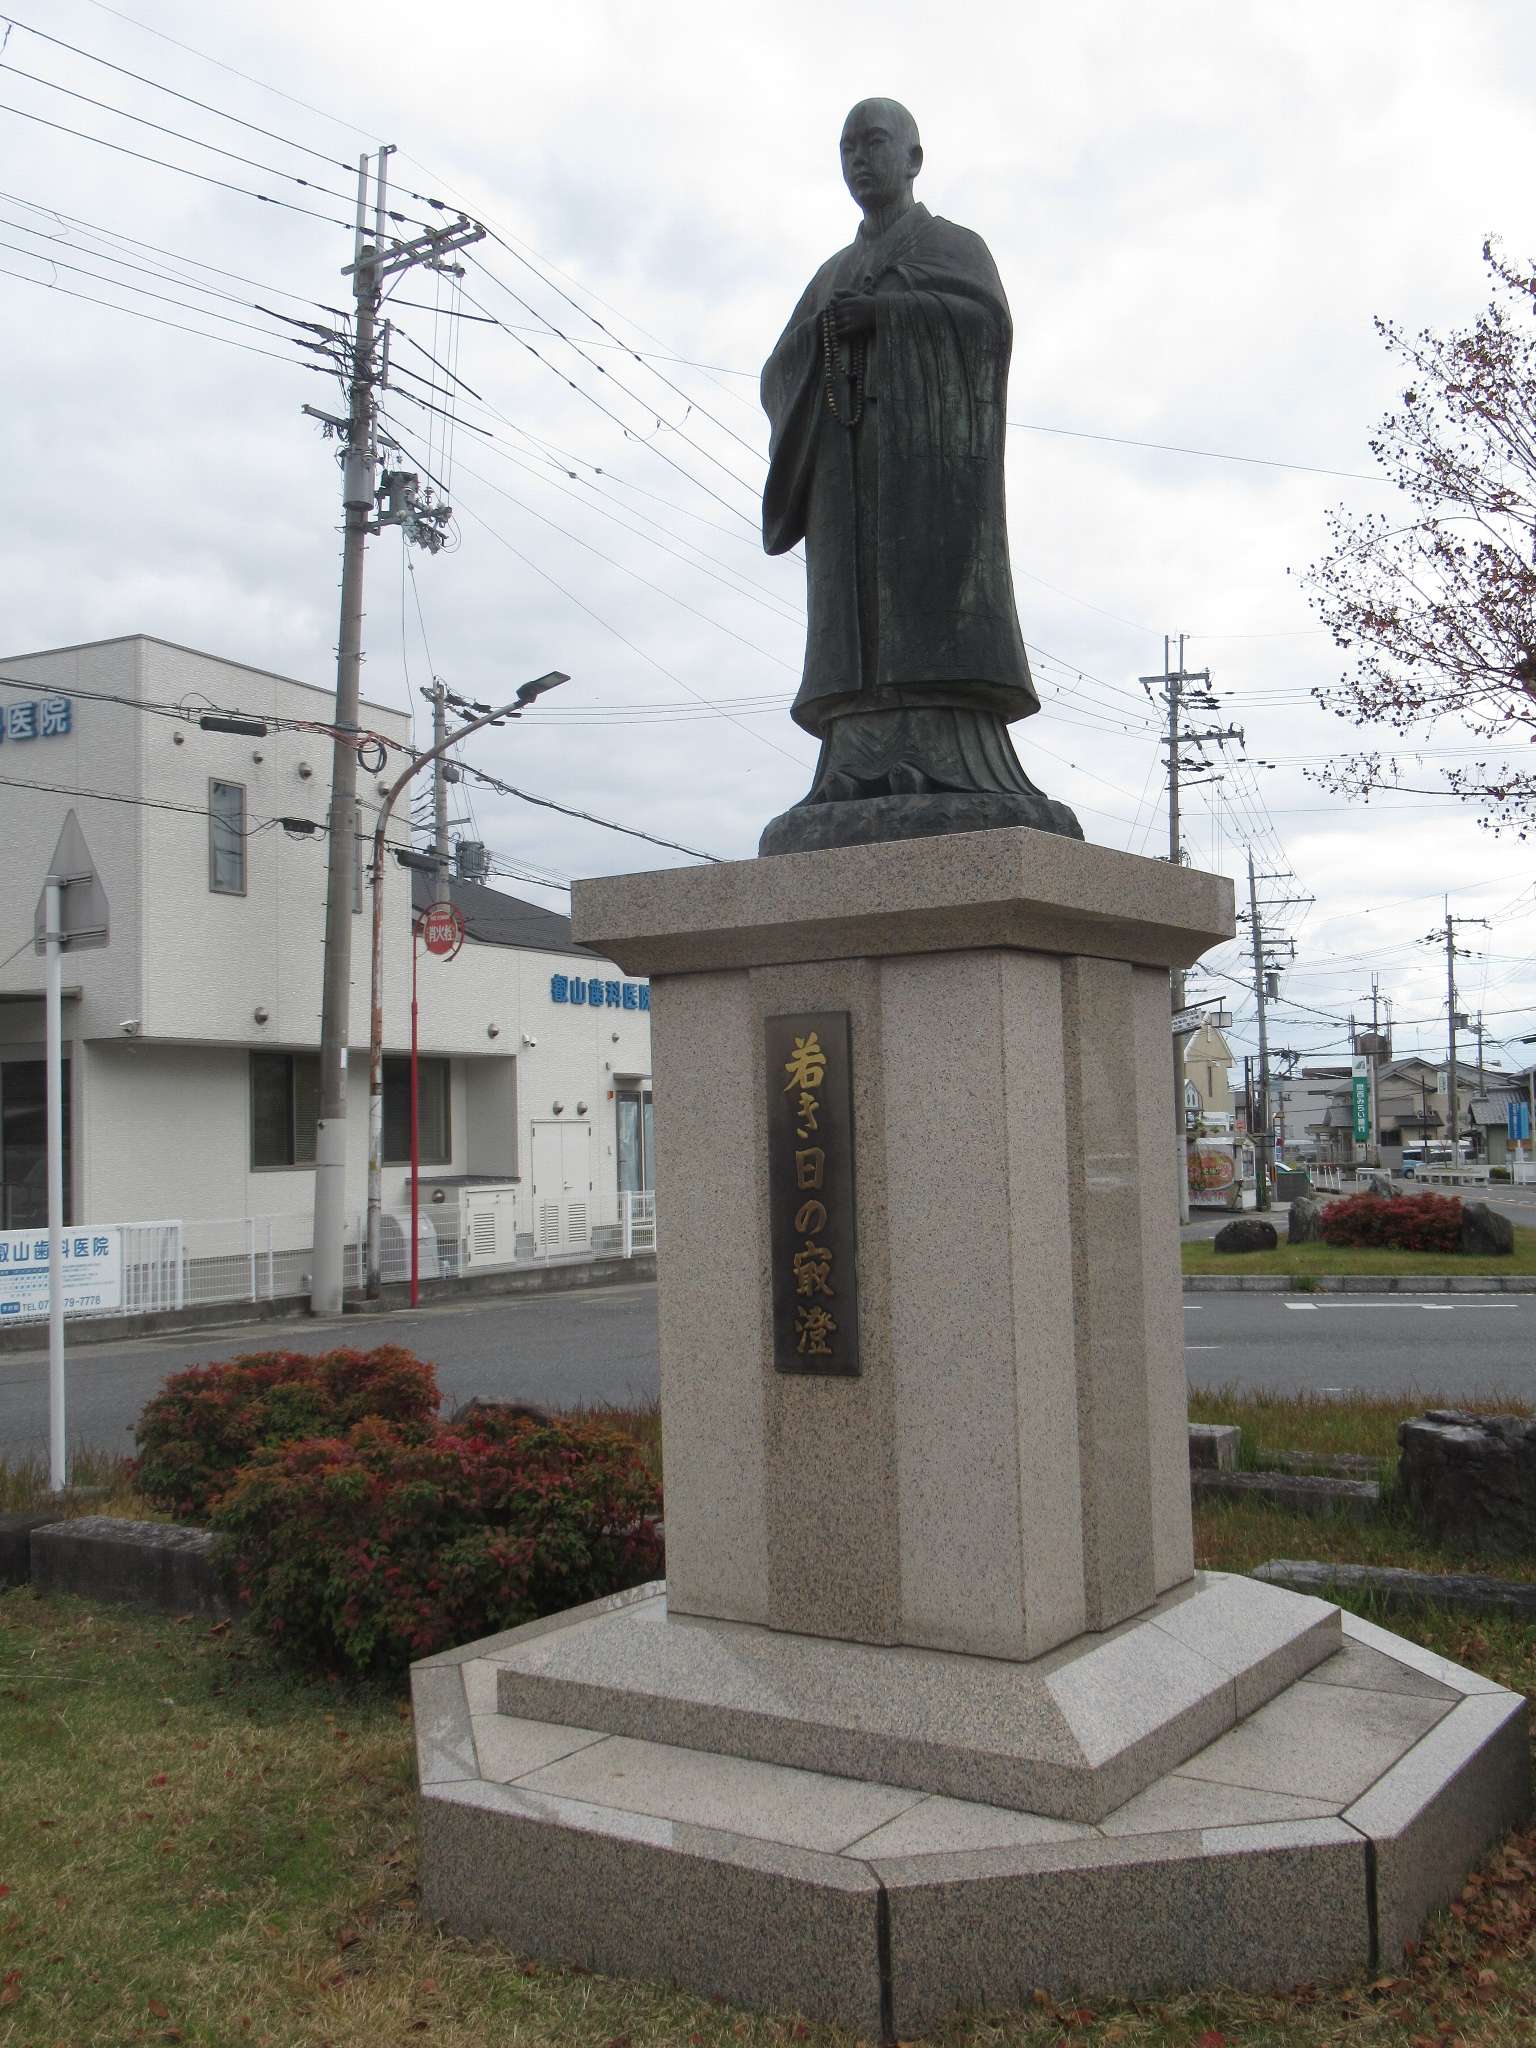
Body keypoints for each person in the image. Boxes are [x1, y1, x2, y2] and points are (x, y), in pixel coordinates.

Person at [758, 97, 1080, 854]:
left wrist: (893, 316)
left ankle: (951, 749)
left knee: (931, 596)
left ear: (913, 158)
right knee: (856, 614)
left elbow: (989, 330)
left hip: (930, 477)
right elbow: (779, 373)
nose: (860, 159)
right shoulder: (832, 273)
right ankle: (857, 756)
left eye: (874, 143)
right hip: (849, 480)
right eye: (847, 148)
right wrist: (827, 330)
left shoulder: (954, 245)